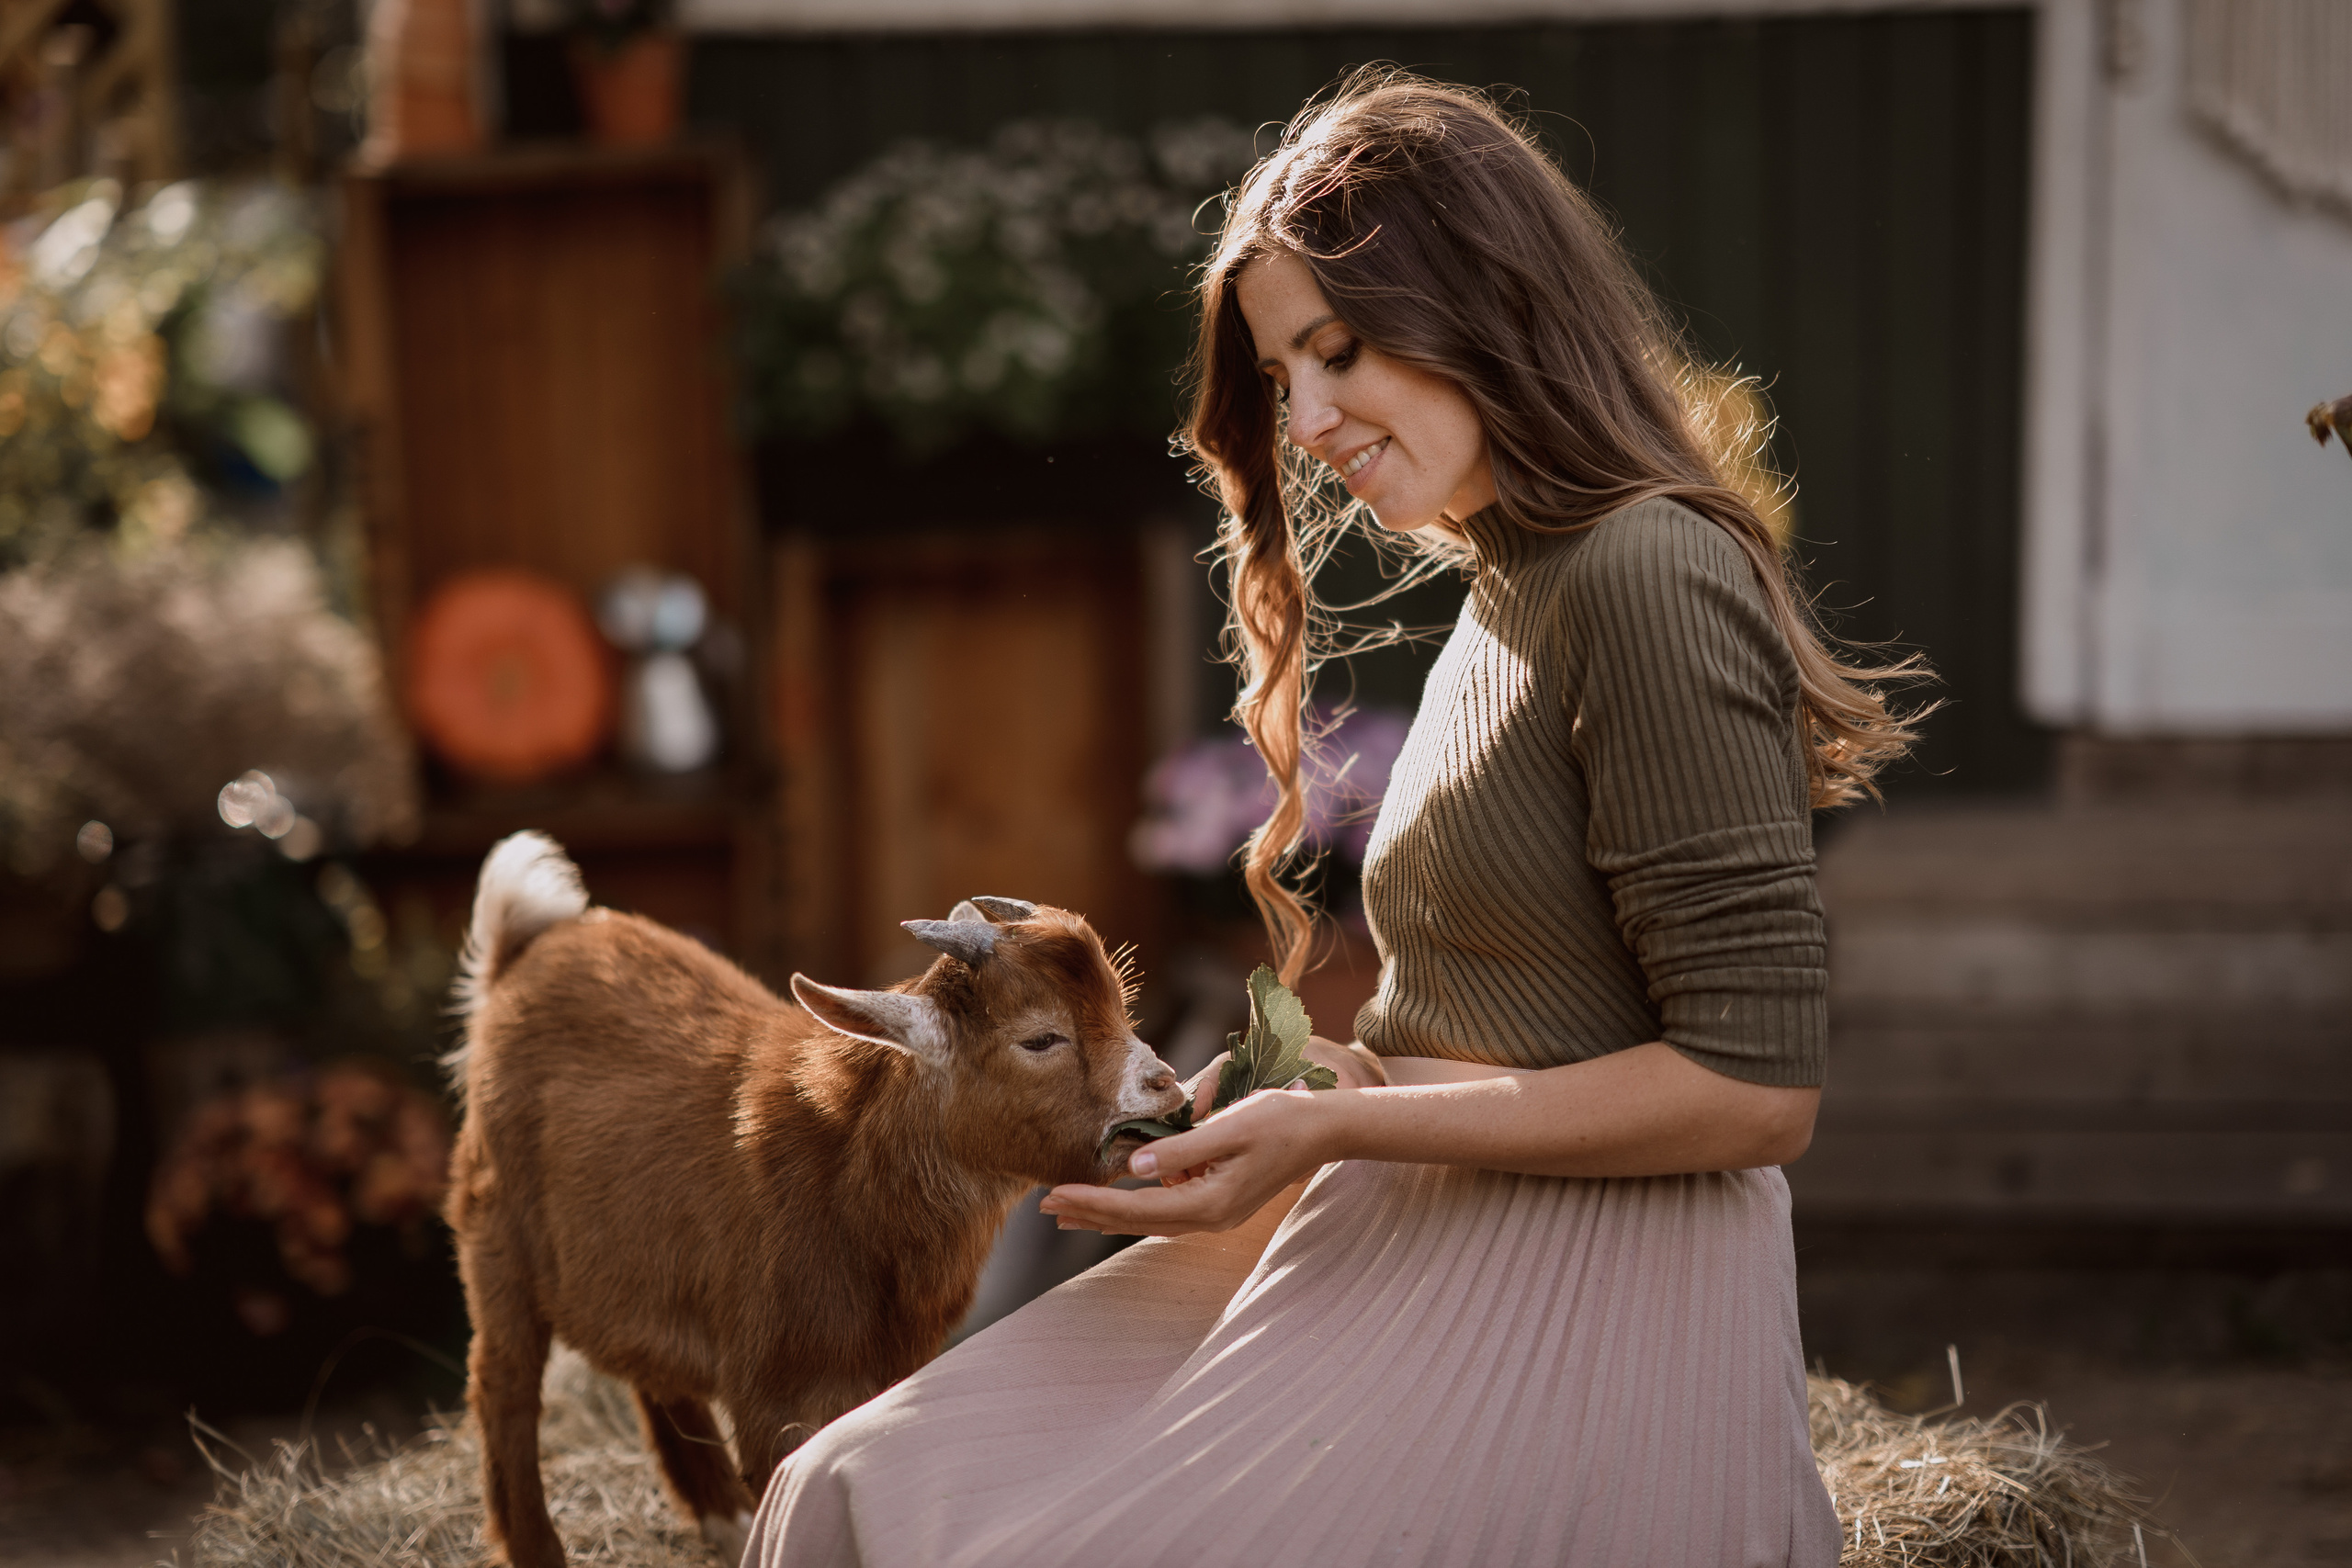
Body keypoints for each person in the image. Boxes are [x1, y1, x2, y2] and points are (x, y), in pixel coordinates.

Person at [743, 70, 1919, 1568]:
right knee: (857, 1485)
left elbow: (1758, 1096)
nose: (1303, 420)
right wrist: (1265, 1102)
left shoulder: (1645, 572)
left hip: (1589, 1298)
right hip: (1424, 1226)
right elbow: (1512, 1018)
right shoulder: (1518, 582)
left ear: (1483, 296)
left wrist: (1334, 1123)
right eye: (1280, 377)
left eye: (1336, 351)